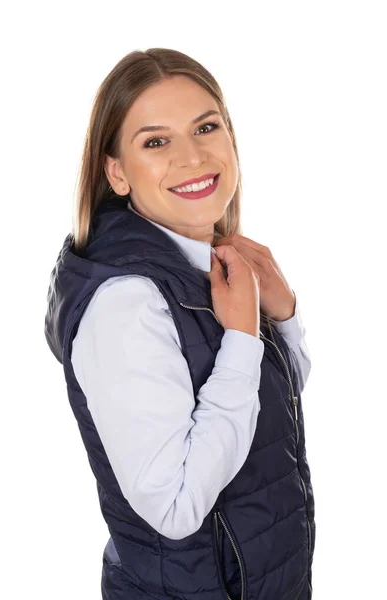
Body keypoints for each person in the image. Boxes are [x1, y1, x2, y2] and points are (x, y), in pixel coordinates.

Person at [44, 48, 315, 600]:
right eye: (156, 141)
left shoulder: (205, 263)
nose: (193, 157)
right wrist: (241, 337)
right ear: (116, 171)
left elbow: (265, 415)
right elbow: (175, 506)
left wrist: (282, 318)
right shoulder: (128, 303)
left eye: (206, 127)